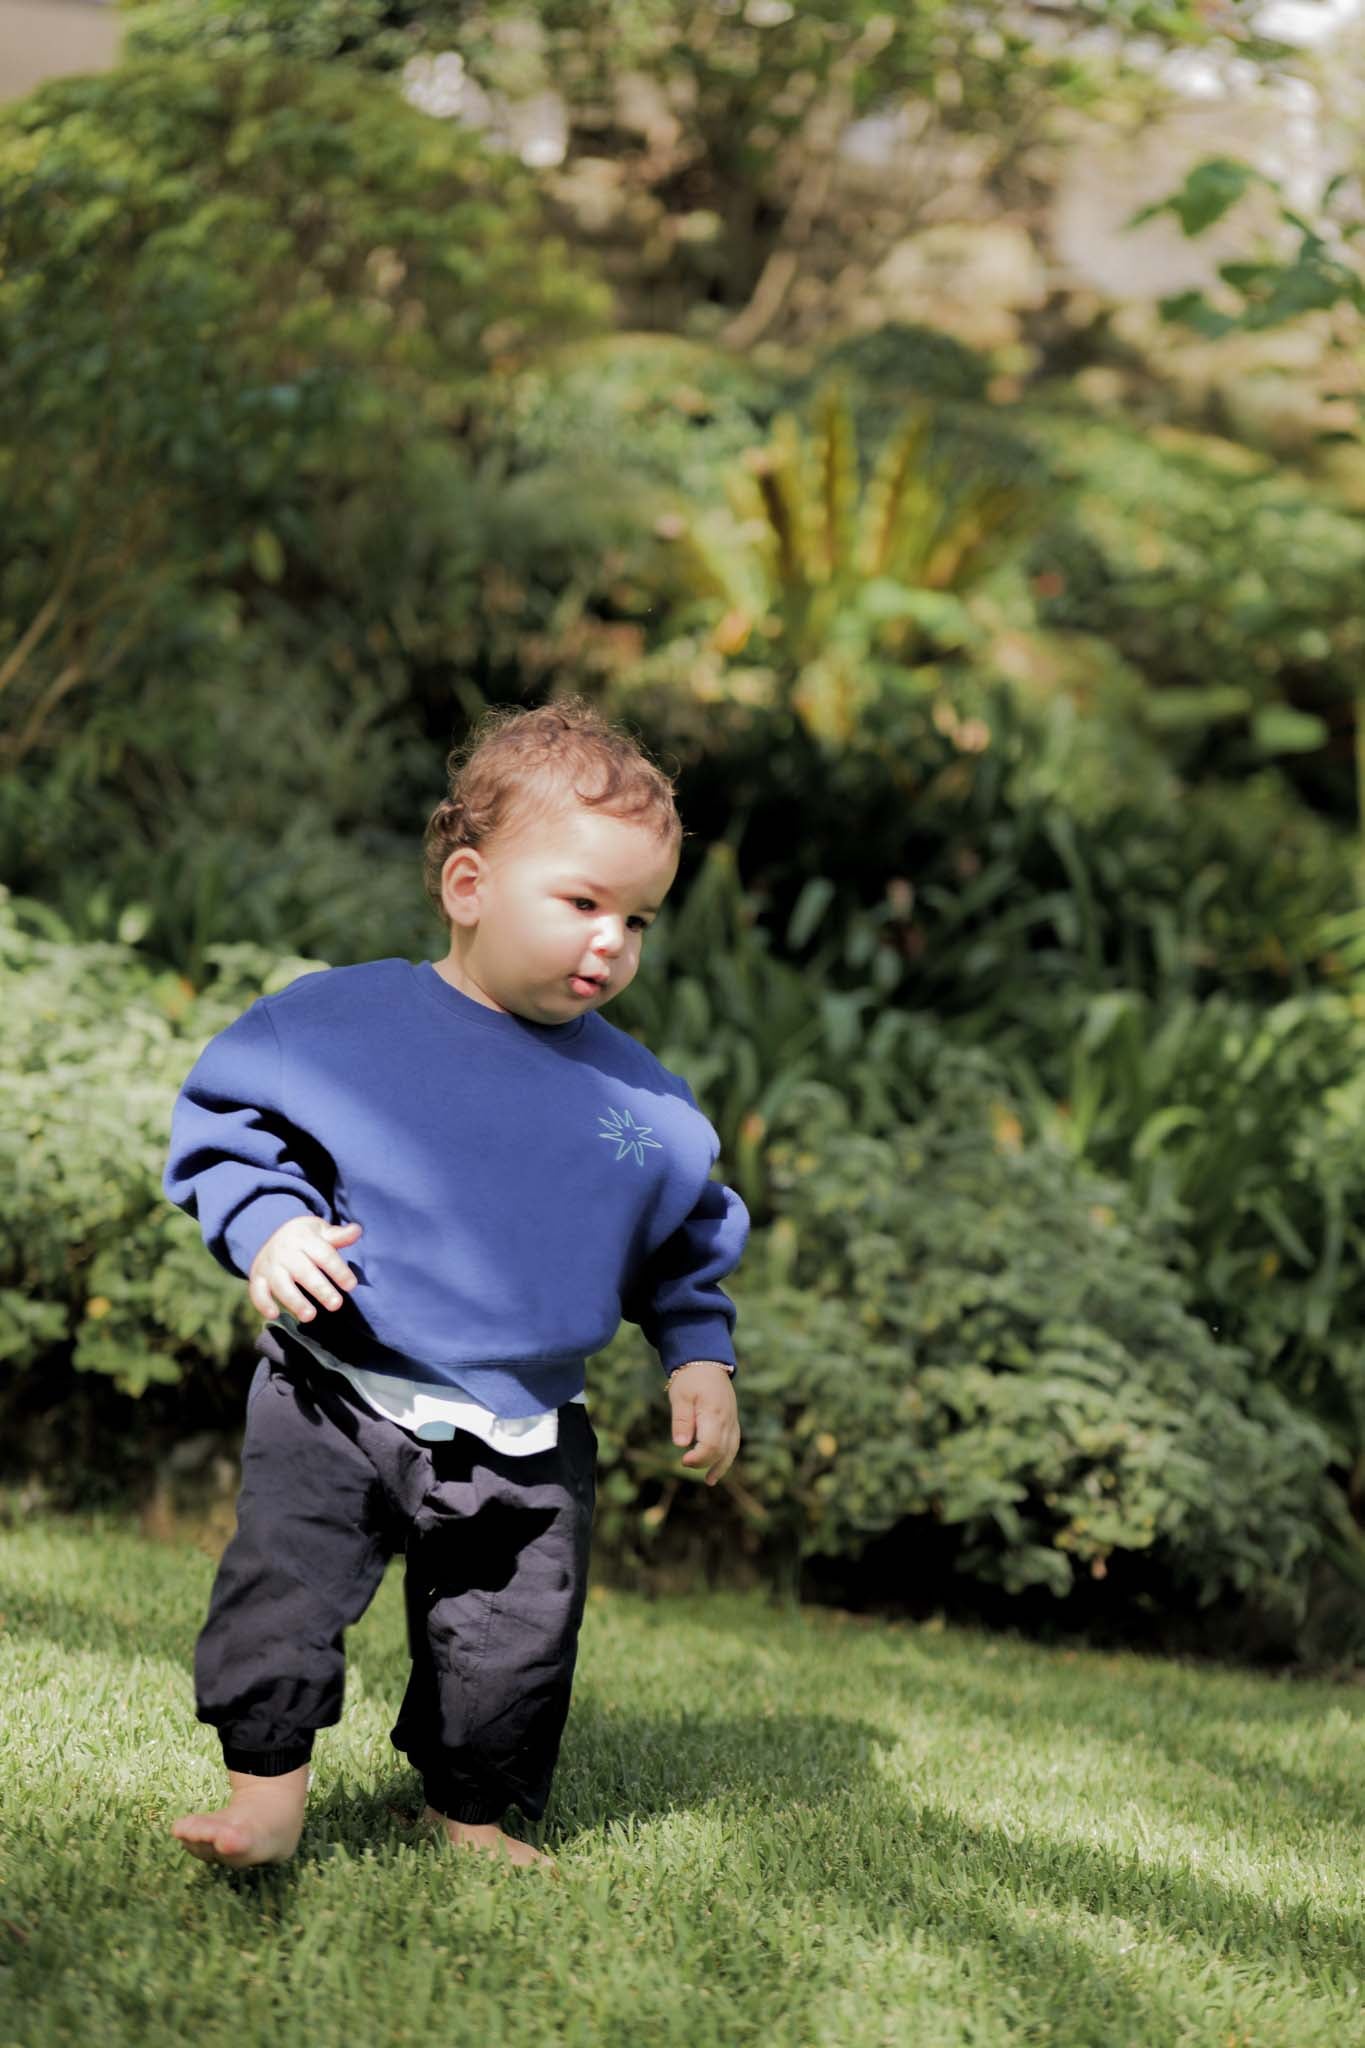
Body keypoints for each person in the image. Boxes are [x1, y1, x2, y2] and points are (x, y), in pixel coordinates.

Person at [162, 698, 747, 1870]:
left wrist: (700, 1353)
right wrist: (271, 1225)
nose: (611, 942)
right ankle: (265, 1803)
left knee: (510, 1639)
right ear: (469, 884)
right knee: (286, 1593)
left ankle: (468, 1812)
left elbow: (683, 1239)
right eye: (582, 902)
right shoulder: (339, 1025)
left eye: (637, 917)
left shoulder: (644, 1108)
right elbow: (228, 1131)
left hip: (526, 1431)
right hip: (337, 1388)